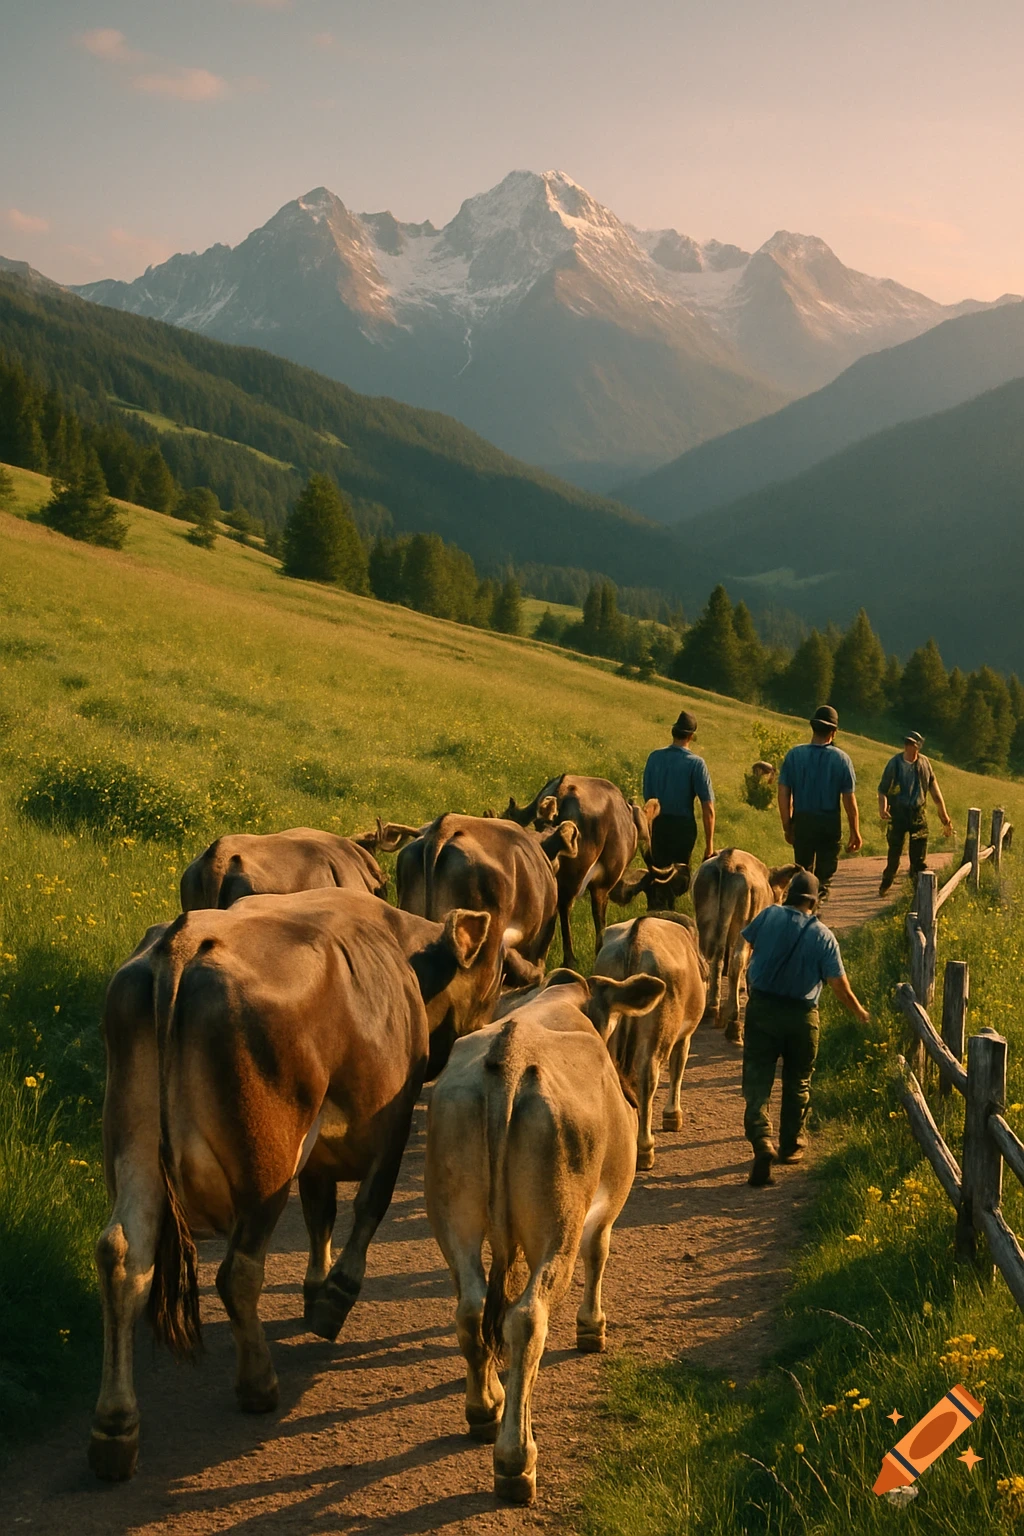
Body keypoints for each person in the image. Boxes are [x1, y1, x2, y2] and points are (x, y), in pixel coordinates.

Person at [740, 870, 870, 1186]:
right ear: (814, 901)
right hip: (802, 1017)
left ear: (789, 894)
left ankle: (761, 1140)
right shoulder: (823, 935)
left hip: (762, 1009)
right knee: (798, 1081)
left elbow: (747, 946)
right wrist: (862, 1014)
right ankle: (792, 1145)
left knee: (758, 1077)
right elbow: (839, 985)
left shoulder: (768, 915)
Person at [777, 705, 861, 899]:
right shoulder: (842, 759)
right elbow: (849, 801)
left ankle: (798, 915)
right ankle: (815, 913)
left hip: (803, 821)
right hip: (829, 824)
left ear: (813, 728)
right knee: (823, 879)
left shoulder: (794, 755)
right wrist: (855, 831)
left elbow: (783, 793)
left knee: (802, 874)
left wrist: (788, 825)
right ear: (833, 732)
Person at [642, 710, 715, 907]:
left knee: (658, 875)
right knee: (677, 879)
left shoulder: (654, 758)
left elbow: (648, 798)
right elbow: (708, 806)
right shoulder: (696, 764)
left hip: (656, 824)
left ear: (673, 732)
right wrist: (709, 845)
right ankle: (669, 916)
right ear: (691, 736)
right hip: (682, 827)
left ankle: (655, 913)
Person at [877, 731, 954, 896]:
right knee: (894, 855)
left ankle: (916, 894)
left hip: (918, 814)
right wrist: (883, 809)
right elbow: (883, 790)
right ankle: (887, 882)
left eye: (912, 743)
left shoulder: (925, 763)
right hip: (897, 814)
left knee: (918, 859)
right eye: (906, 742)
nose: (908, 745)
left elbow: (935, 791)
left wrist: (944, 816)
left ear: (918, 746)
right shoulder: (895, 763)